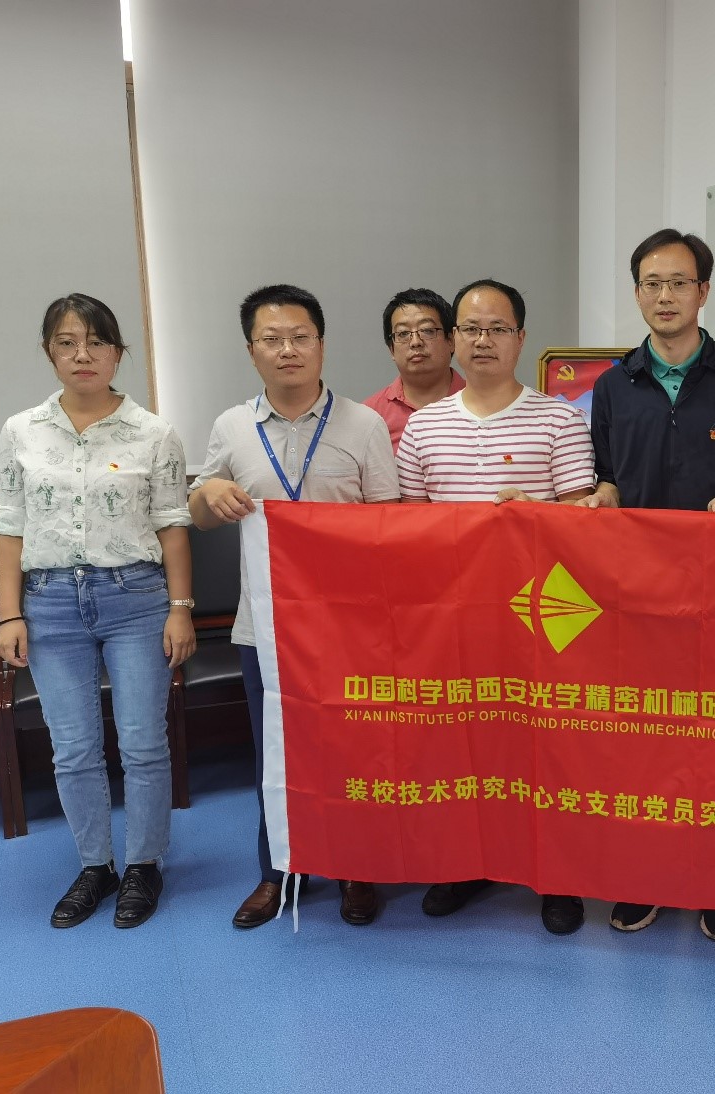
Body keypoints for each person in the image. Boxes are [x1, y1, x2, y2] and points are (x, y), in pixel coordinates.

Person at [189, 283, 399, 929]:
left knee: (353, 751)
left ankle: (357, 868)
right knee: (274, 755)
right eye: (272, 339)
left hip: (347, 629)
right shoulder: (232, 427)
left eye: (300, 337)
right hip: (266, 628)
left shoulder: (364, 425)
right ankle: (278, 871)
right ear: (252, 350)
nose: (288, 350)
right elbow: (198, 512)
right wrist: (211, 491)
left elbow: (389, 524)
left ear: (322, 345)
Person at [584, 228, 715, 942]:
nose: (665, 296)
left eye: (679, 283)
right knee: (642, 741)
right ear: (637, 293)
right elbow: (606, 474)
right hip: (634, 595)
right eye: (652, 284)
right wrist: (604, 496)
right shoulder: (612, 386)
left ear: (704, 292)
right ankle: (648, 874)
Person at [396, 278, 594, 935]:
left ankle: (558, 876)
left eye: (498, 328)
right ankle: (466, 864)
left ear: (521, 339)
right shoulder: (423, 427)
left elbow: (585, 526)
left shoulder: (560, 420)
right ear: (453, 338)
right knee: (462, 746)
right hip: (455, 621)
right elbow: (410, 529)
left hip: (538, 617)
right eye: (471, 328)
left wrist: (539, 517)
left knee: (547, 748)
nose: (484, 340)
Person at [0, 293, 195, 930]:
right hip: (50, 605)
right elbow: (9, 526)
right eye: (66, 342)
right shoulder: (21, 430)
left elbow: (172, 525)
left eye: (97, 342)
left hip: (136, 600)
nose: (83, 354)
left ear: (118, 353)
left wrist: (181, 609)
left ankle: (144, 864)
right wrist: (9, 615)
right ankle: (94, 865)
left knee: (142, 742)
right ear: (49, 352)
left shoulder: (153, 432)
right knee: (74, 748)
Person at [363, 287, 465, 451]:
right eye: (403, 334)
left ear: (451, 341)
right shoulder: (370, 416)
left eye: (427, 331)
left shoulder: (482, 402)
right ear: (391, 349)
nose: (415, 342)